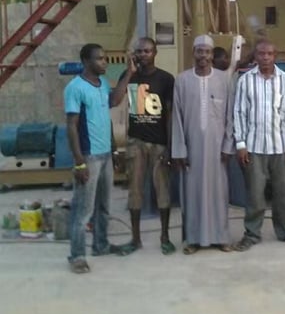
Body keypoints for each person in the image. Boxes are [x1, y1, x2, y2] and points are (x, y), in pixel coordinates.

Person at [64, 43, 136, 274]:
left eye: (105, 58)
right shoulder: (75, 88)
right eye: (100, 59)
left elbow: (113, 102)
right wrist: (79, 162)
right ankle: (77, 256)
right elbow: (72, 126)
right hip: (89, 156)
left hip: (105, 154)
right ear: (86, 62)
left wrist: (129, 73)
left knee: (104, 206)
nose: (105, 62)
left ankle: (101, 245)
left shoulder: (102, 84)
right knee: (83, 210)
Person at [232, 39, 285, 251]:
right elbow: (239, 112)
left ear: (275, 56)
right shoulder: (245, 80)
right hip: (254, 147)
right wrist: (241, 144)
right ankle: (252, 234)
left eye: (269, 54)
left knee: (282, 193)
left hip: (280, 146)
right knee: (255, 194)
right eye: (261, 54)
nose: (265, 58)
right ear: (255, 56)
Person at [171, 35, 234, 254]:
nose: (203, 56)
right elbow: (176, 118)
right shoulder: (182, 80)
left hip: (218, 150)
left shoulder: (224, 79)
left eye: (207, 52)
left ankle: (221, 237)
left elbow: (230, 115)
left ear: (212, 54)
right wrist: (179, 149)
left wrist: (228, 146)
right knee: (191, 193)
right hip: (191, 148)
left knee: (219, 192)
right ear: (193, 53)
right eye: (199, 51)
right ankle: (192, 240)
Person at [122, 37, 176, 255]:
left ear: (155, 53)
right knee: (134, 191)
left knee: (162, 190)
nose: (143, 55)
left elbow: (170, 114)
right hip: (136, 141)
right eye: (140, 51)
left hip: (159, 143)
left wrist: (171, 146)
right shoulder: (130, 77)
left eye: (147, 51)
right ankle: (135, 239)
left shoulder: (166, 79)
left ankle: (165, 236)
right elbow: (115, 99)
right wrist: (129, 72)